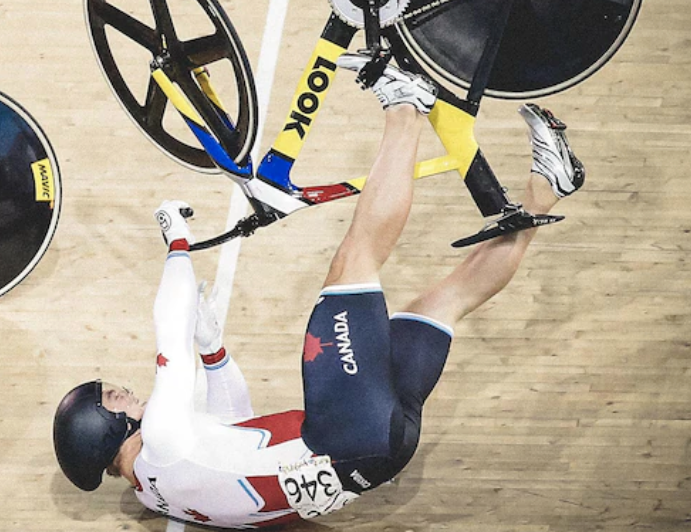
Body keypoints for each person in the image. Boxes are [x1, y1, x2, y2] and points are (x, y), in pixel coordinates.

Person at [52, 54, 586, 527]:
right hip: (344, 432)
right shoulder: (161, 444)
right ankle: (404, 105)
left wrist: (213, 351)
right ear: (107, 428)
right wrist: (178, 241)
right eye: (116, 397)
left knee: (444, 302)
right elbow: (168, 327)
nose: (128, 390)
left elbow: (236, 424)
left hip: (378, 451)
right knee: (354, 260)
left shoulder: (154, 493)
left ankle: (548, 185)